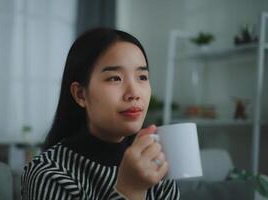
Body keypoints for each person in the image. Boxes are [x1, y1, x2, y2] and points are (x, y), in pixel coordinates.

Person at [21, 28, 180, 200]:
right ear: (81, 94)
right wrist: (130, 190)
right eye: (115, 78)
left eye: (142, 77)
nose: (134, 93)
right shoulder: (49, 173)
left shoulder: (154, 161)